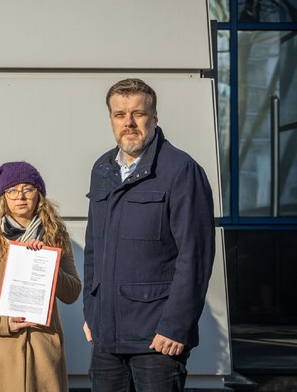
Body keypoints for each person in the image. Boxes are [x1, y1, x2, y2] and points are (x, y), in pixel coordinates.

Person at [83, 78, 216, 392]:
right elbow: (93, 250)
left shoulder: (181, 170)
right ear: (111, 120)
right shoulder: (102, 169)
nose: (128, 122)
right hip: (107, 337)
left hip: (158, 339)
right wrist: (91, 311)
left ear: (154, 117)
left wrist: (176, 326)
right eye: (120, 114)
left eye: (138, 114)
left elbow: (195, 256)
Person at [0, 161, 82, 392]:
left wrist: (48, 262)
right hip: (1, 346)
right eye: (12, 190)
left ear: (39, 194)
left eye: (28, 189)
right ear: (3, 197)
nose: (20, 196)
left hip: (43, 347)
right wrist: (1, 323)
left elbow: (72, 293)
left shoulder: (55, 235)